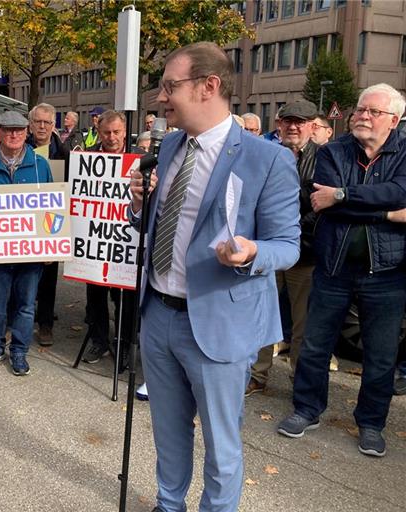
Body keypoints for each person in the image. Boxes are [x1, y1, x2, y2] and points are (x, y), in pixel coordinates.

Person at [128, 43, 300, 511]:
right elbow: (154, 223)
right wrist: (140, 205)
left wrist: (250, 252)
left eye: (170, 86)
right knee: (167, 430)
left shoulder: (267, 159)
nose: (161, 98)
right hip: (158, 312)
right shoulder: (167, 148)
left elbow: (288, 245)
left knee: (222, 444)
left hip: (221, 323)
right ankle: (169, 504)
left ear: (209, 86)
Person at [278, 83, 406, 458]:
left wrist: (344, 196)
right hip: (332, 267)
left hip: (387, 273)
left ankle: (370, 423)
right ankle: (306, 409)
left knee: (381, 356)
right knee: (316, 346)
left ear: (394, 120)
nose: (362, 116)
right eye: (360, 110)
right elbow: (322, 199)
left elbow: (400, 191)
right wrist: (388, 213)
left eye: (373, 112)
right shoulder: (333, 152)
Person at [247, 100, 322, 396]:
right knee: (263, 314)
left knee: (303, 323)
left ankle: (299, 379)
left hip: (305, 253)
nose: (293, 126)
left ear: (312, 126)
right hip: (267, 251)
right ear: (278, 124)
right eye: (288, 120)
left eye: (300, 121)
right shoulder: (265, 154)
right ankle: (257, 374)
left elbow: (320, 206)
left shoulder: (324, 158)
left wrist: (287, 229)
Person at [0, 111, 53, 376]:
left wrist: (51, 245)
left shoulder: (40, 165)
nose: (14, 135)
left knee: (26, 304)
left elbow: (52, 206)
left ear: (27, 132)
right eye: (8, 130)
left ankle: (19, 351)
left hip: (30, 253)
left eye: (19, 130)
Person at [82, 110, 137, 368]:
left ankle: (123, 343)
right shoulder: (86, 157)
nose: (111, 137)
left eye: (116, 132)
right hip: (95, 239)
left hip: (126, 240)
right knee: (95, 293)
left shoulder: (139, 158)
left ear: (124, 132)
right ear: (99, 131)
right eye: (106, 132)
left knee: (124, 297)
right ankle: (99, 340)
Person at [26, 103, 69, 346]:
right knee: (23, 272)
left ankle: (45, 323)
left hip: (51, 220)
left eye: (47, 122)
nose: (42, 126)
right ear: (30, 124)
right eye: (38, 122)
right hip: (25, 217)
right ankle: (21, 317)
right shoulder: (19, 146)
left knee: (49, 274)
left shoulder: (64, 153)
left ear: (54, 126)